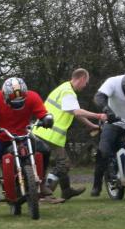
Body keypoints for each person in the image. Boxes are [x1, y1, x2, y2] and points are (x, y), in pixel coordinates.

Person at [0, 78, 53, 210]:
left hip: (24, 135)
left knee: (45, 150)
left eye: (21, 102)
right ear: (5, 96)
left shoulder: (33, 97)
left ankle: (42, 183)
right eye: (14, 103)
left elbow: (43, 114)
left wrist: (47, 120)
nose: (17, 106)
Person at [33, 68, 107, 200]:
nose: (85, 86)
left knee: (62, 162)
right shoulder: (68, 92)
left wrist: (92, 125)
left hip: (43, 132)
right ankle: (45, 193)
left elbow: (74, 112)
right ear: (82, 78)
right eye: (86, 82)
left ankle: (66, 190)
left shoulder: (64, 88)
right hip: (50, 134)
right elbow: (77, 112)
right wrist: (99, 115)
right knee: (64, 164)